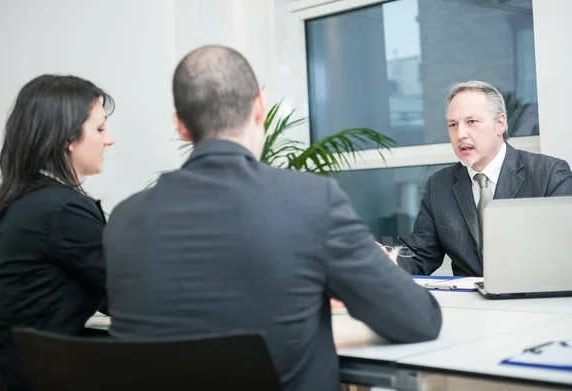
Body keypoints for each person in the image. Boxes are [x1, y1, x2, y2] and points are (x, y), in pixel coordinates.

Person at [103, 45, 442, 391]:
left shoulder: (123, 220)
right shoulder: (311, 200)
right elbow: (419, 319)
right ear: (260, 106)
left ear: (181, 127)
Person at [0, 74, 115, 390]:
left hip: (12, 365)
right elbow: (125, 292)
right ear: (67, 139)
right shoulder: (62, 210)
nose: (109, 139)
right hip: (36, 374)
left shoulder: (20, 200)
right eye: (99, 128)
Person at [393, 80, 572, 277]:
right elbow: (419, 256)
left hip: (532, 301)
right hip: (470, 305)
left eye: (471, 122)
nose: (460, 134)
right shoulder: (439, 185)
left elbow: (568, 253)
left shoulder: (548, 173)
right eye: (453, 125)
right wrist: (386, 259)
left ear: (500, 124)